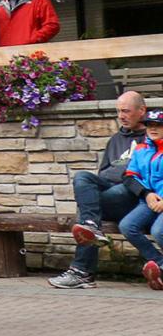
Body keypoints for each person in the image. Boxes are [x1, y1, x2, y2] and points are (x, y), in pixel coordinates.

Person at [53, 90, 149, 289]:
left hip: (133, 196)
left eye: (126, 111)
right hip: (110, 193)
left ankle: (81, 272)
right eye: (118, 111)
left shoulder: (152, 137)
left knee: (90, 211)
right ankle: (91, 228)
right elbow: (103, 172)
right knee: (82, 178)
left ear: (141, 111)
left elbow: (143, 177)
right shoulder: (116, 139)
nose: (121, 116)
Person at [118, 108, 163, 291]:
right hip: (149, 200)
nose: (153, 129)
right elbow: (130, 176)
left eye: (158, 125)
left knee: (159, 231)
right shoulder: (141, 149)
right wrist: (147, 194)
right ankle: (160, 264)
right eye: (149, 125)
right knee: (127, 226)